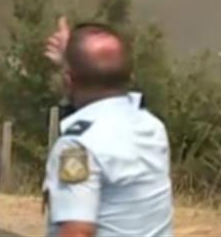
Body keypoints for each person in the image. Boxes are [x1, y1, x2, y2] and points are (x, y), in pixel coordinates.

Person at [41, 17, 174, 237]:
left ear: (68, 81)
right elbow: (100, 109)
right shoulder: (152, 127)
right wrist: (73, 61)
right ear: (129, 76)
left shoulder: (77, 147)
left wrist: (74, 65)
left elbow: (78, 232)